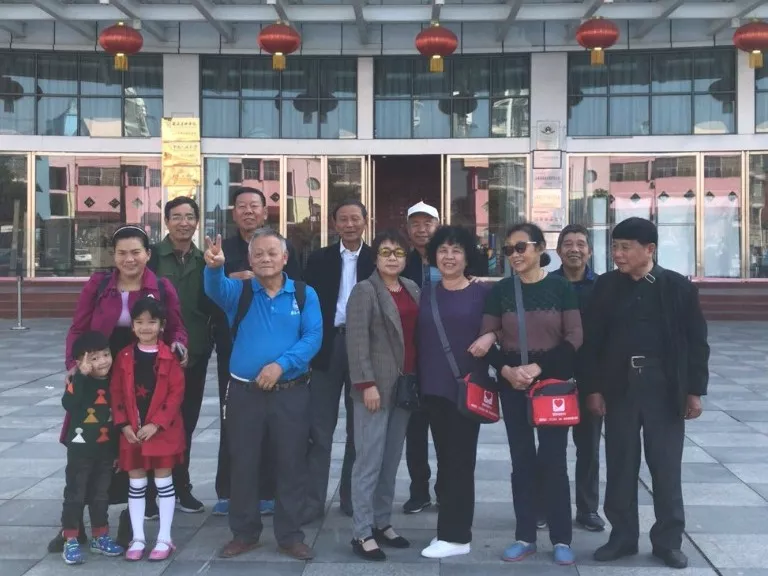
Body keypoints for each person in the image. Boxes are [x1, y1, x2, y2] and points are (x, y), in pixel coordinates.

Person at [49, 225, 187, 553]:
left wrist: (179, 346)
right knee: (89, 447)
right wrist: (75, 365)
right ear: (114, 256)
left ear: (148, 254)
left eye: (136, 252)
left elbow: (176, 326)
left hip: (143, 379)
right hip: (100, 374)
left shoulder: (161, 287)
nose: (129, 259)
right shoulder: (98, 286)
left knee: (134, 447)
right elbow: (78, 328)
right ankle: (73, 527)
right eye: (122, 253)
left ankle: (128, 522)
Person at [581, 217, 709, 570]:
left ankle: (668, 542)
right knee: (621, 464)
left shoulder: (677, 287)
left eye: (625, 248)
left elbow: (697, 343)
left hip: (664, 389)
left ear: (649, 249)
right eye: (615, 247)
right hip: (619, 387)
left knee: (665, 468)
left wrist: (694, 391)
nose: (618, 254)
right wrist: (593, 388)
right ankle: (622, 537)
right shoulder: (606, 286)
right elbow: (592, 342)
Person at [204, 228, 322, 561]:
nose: (265, 259)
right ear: (250, 259)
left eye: (272, 253)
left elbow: (313, 337)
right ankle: (244, 533)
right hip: (245, 393)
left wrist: (281, 366)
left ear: (285, 258)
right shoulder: (239, 291)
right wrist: (214, 268)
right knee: (243, 462)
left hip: (291, 393)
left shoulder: (303, 293)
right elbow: (214, 288)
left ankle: (290, 535)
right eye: (258, 254)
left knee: (291, 463)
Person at [481, 222, 582, 566]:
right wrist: (507, 371)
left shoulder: (561, 288)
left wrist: (539, 368)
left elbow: (575, 338)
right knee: (521, 462)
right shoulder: (501, 291)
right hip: (514, 388)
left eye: (521, 247)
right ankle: (524, 536)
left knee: (554, 461)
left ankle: (561, 538)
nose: (514, 255)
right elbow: (487, 340)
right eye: (508, 249)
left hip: (551, 388)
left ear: (540, 248)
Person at [211, 186, 301, 517]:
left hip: (279, 353)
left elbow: (296, 289)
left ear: (265, 211)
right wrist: (228, 279)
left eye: (255, 206)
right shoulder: (222, 249)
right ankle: (229, 491)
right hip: (235, 349)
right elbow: (212, 293)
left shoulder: (283, 246)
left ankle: (269, 491)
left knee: (277, 426)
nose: (248, 211)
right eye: (242, 206)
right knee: (234, 423)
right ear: (234, 213)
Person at [401, 201, 488, 514]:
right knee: (417, 436)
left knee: (457, 451)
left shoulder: (476, 284)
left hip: (460, 377)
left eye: (428, 223)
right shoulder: (404, 266)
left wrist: (490, 336)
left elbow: (493, 319)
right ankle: (420, 491)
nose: (422, 229)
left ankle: (449, 500)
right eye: (416, 223)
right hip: (421, 372)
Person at [417, 225, 497, 559]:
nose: (449, 257)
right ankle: (449, 530)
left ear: (467, 256)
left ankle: (456, 536)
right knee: (445, 461)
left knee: (459, 463)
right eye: (443, 250)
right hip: (431, 388)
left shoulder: (482, 292)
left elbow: (503, 324)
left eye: (456, 250)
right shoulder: (425, 292)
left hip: (466, 390)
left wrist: (490, 336)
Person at [346, 229, 420, 561]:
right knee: (369, 461)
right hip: (374, 388)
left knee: (390, 460)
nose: (392, 258)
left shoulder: (412, 288)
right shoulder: (365, 291)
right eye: (385, 252)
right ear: (375, 258)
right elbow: (356, 341)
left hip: (404, 386)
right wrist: (366, 384)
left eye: (398, 252)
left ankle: (382, 521)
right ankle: (361, 532)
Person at [303, 198, 375, 521]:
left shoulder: (376, 258)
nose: (349, 224)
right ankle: (312, 501)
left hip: (364, 348)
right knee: (319, 428)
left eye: (355, 218)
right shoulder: (318, 259)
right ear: (334, 224)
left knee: (359, 430)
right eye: (343, 219)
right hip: (327, 346)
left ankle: (351, 497)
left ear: (365, 221)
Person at [534, 224, 604, 532]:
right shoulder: (546, 284)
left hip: (591, 379)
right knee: (550, 447)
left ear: (590, 250)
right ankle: (545, 507)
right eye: (568, 244)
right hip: (553, 377)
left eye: (581, 244)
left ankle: (587, 509)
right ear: (559, 250)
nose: (574, 249)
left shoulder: (603, 287)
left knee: (589, 448)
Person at [148, 196, 213, 514]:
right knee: (152, 420)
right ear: (166, 221)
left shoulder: (206, 260)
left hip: (194, 354)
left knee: (186, 422)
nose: (183, 223)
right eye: (177, 217)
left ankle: (180, 485)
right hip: (154, 355)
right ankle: (148, 492)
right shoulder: (151, 258)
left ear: (197, 222)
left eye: (189, 217)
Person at [110, 297, 186, 562]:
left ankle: (164, 537)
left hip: (163, 431)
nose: (145, 327)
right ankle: (138, 537)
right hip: (132, 432)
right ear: (132, 325)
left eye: (152, 322)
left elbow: (176, 394)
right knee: (136, 483)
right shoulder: (124, 356)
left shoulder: (170, 357)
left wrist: (157, 423)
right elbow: (116, 392)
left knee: (164, 482)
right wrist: (123, 425)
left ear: (162, 325)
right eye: (139, 322)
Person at [59, 331, 124, 565]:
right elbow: (68, 403)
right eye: (94, 358)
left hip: (105, 452)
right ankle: (70, 539)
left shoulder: (114, 382)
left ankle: (100, 535)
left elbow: (116, 421)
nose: (103, 361)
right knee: (75, 495)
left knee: (100, 495)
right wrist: (81, 376)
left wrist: (117, 453)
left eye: (106, 355)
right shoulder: (78, 382)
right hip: (80, 452)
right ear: (80, 362)